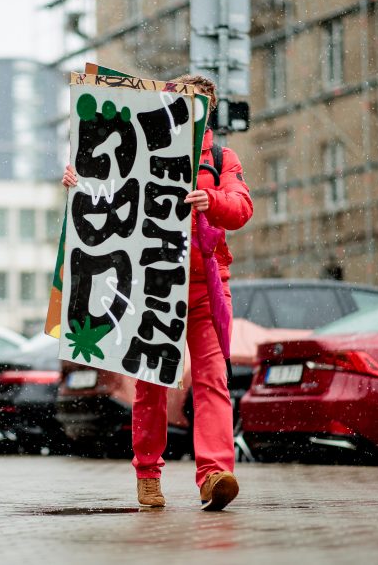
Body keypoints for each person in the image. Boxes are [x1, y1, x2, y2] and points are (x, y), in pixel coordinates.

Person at [62, 75, 253, 511]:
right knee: (150, 385)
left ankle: (214, 475)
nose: (189, 112)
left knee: (212, 380)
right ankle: (148, 473)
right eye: (181, 102)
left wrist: (212, 200)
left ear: (208, 111)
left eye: (198, 105)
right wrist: (80, 181)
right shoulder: (138, 140)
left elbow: (241, 206)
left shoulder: (222, 156)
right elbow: (108, 196)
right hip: (152, 284)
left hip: (207, 286)